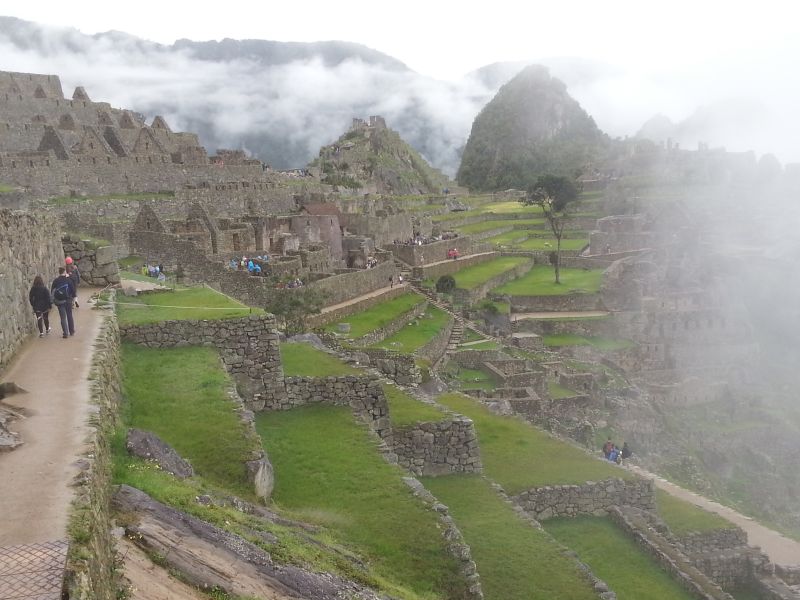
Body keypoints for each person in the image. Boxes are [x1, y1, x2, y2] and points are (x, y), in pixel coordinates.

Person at [51, 267, 76, 338]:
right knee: (69, 315)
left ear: (59, 272)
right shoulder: (68, 280)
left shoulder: (56, 281)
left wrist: (54, 299)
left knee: (63, 317)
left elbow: (52, 291)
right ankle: (71, 331)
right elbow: (73, 290)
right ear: (65, 272)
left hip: (60, 301)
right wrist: (73, 298)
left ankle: (65, 333)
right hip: (68, 300)